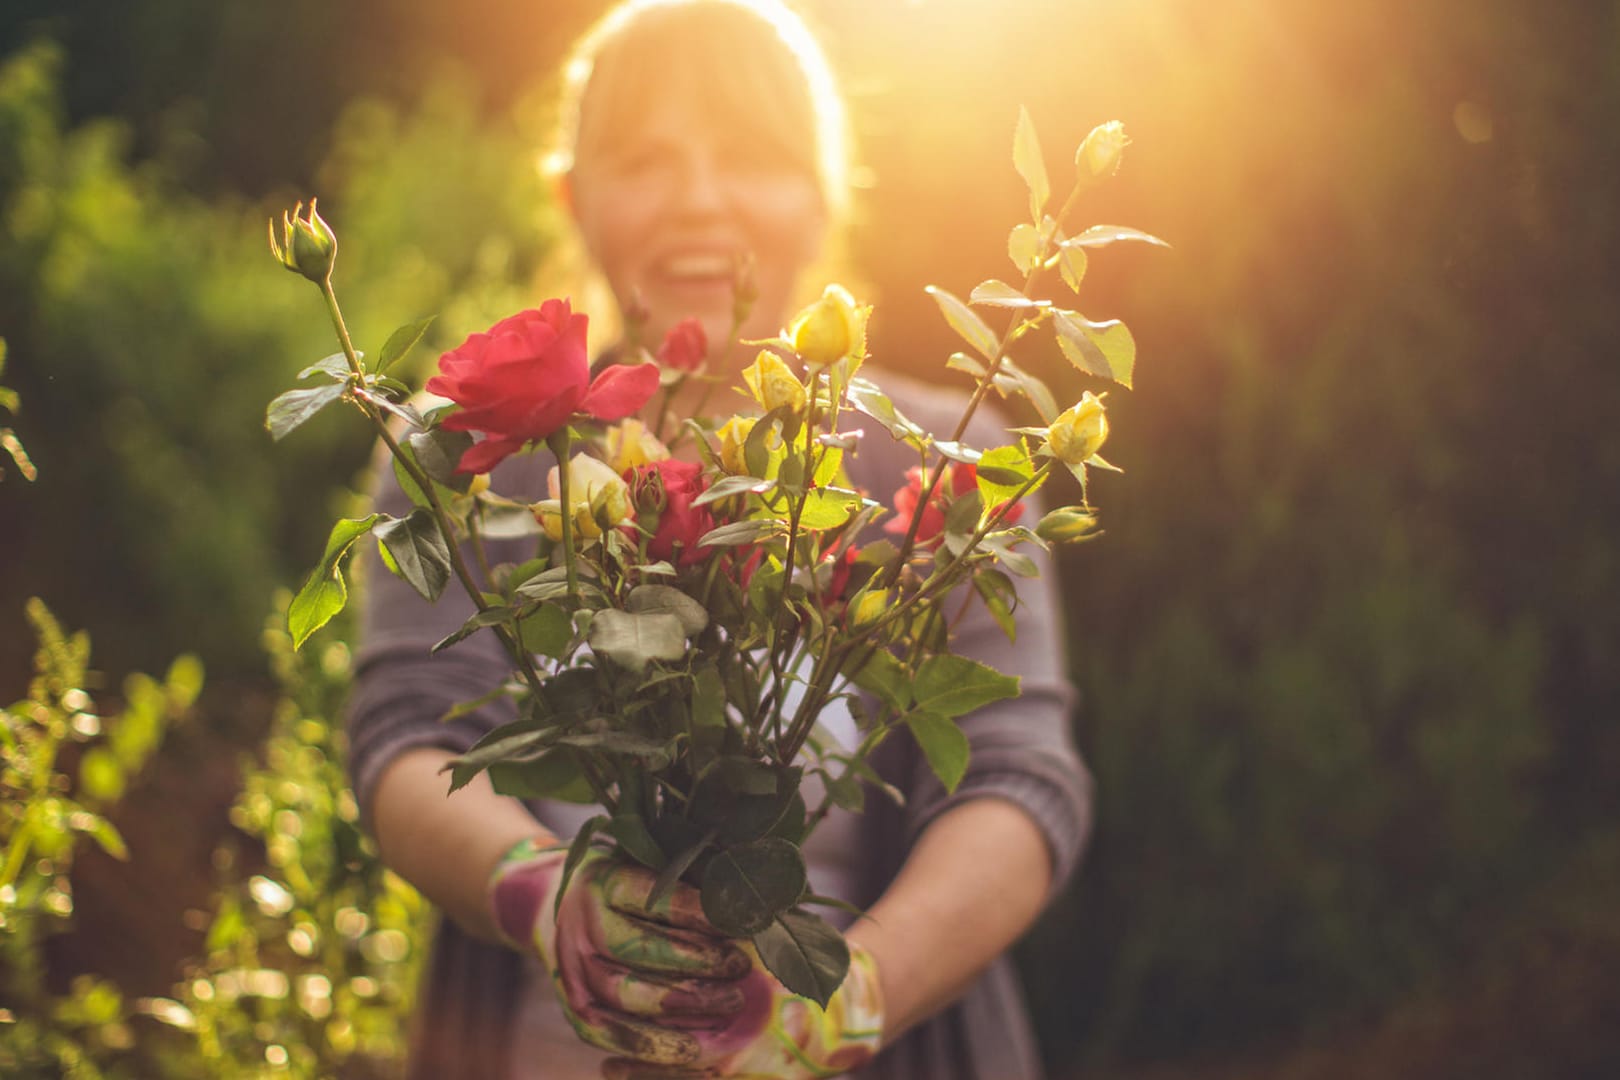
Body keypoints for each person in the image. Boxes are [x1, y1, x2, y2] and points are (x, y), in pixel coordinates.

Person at [345, 1, 1093, 1077]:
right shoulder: (464, 457)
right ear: (571, 195)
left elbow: (1017, 785)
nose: (698, 198)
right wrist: (543, 893)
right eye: (645, 158)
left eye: (749, 154)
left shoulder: (947, 463)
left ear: (825, 190)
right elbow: (405, 736)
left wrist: (846, 1003)